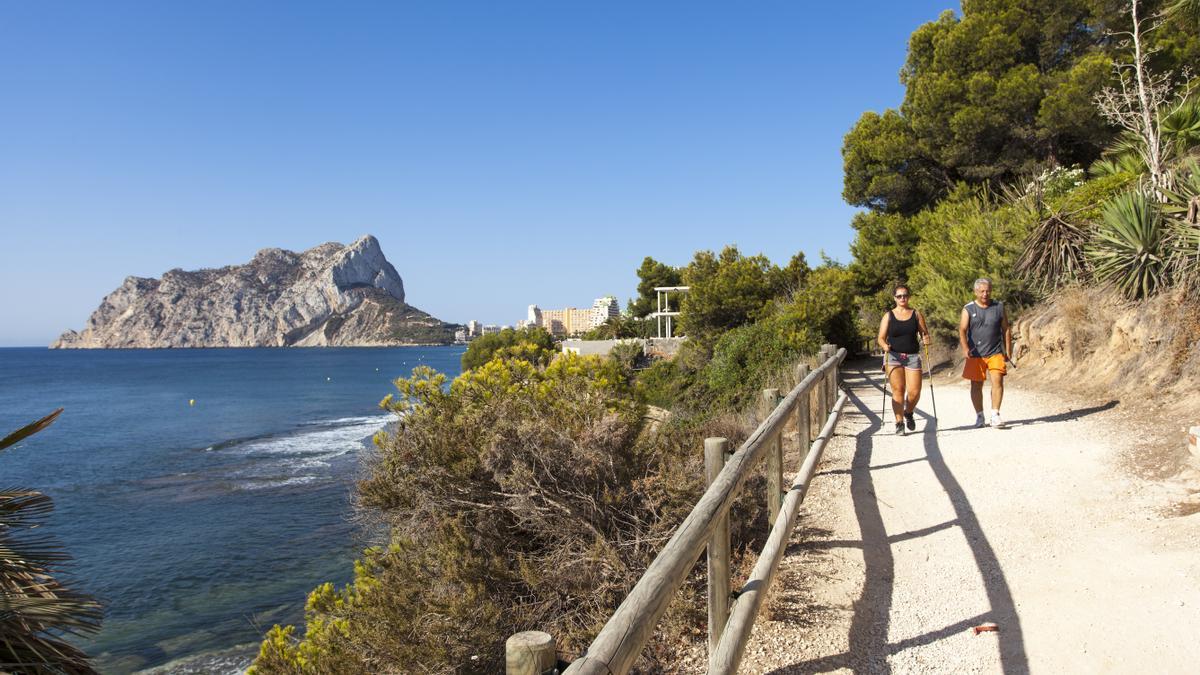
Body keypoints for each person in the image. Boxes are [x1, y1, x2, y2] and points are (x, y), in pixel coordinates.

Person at [958, 278, 1013, 428]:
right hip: (975, 354)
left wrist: (1008, 350)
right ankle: (979, 416)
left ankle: (995, 415)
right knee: (976, 385)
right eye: (982, 291)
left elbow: (1006, 328)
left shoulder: (999, 307)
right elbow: (962, 330)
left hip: (995, 351)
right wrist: (965, 349)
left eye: (988, 290)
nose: (985, 294)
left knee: (998, 381)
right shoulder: (968, 309)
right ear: (975, 292)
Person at [877, 284, 930, 435]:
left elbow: (924, 333)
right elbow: (880, 338)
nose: (902, 298)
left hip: (912, 356)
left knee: (914, 392)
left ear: (909, 296)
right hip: (893, 356)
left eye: (905, 295)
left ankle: (909, 412)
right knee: (898, 390)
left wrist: (926, 339)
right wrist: (884, 345)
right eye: (899, 296)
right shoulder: (888, 316)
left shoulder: (916, 314)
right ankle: (899, 422)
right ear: (894, 298)